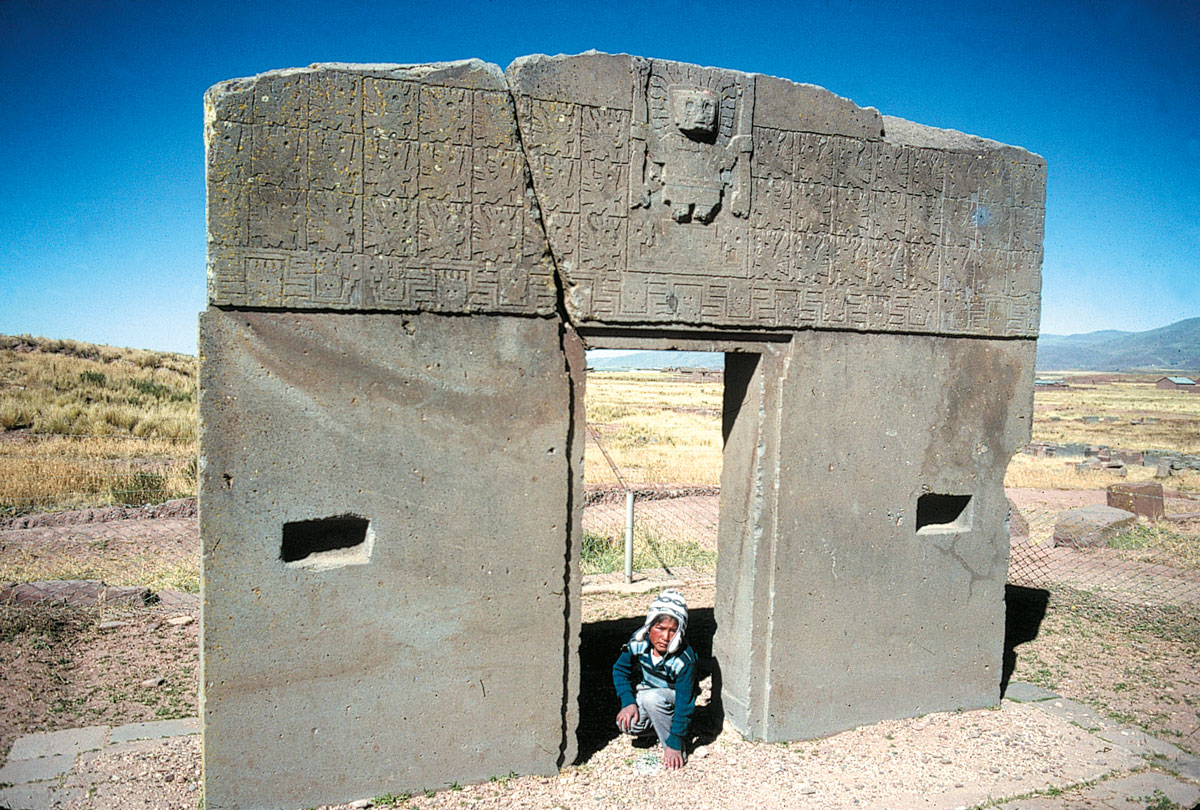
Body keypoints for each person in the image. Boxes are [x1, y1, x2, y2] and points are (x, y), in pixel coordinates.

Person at [612, 589, 697, 769]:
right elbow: (619, 669)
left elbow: (684, 703)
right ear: (649, 626)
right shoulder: (639, 642)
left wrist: (674, 741)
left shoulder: (683, 660)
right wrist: (627, 702)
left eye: (673, 630)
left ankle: (674, 744)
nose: (665, 637)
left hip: (671, 700)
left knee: (652, 698)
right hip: (650, 693)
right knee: (628, 725)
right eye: (660, 628)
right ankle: (661, 729)